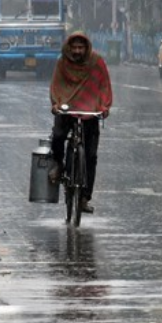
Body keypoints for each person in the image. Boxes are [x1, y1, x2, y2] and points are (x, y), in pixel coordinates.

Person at [48, 32, 113, 214]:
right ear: (69, 48)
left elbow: (104, 85)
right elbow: (56, 86)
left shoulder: (96, 62)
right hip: (67, 109)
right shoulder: (62, 63)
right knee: (59, 135)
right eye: (74, 48)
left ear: (86, 48)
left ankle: (84, 198)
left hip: (90, 111)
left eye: (81, 48)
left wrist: (104, 106)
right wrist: (56, 104)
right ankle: (58, 164)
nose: (77, 51)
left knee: (91, 156)